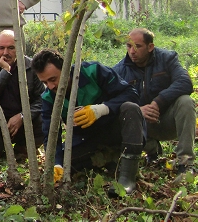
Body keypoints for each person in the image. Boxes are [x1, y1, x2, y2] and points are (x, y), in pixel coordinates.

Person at [32, 49, 145, 196]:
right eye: (45, 82)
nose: (51, 86)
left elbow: (131, 94)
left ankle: (127, 178)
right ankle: (111, 158)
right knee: (68, 162)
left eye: (53, 79)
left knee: (130, 108)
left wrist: (102, 109)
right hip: (88, 140)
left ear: (66, 68)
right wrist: (56, 163)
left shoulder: (93, 71)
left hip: (116, 129)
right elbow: (51, 136)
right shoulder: (48, 98)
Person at [113, 28, 195, 181]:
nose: (132, 51)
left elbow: (185, 82)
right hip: (143, 126)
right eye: (129, 46)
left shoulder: (167, 58)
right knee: (118, 115)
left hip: (169, 120)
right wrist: (137, 111)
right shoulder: (119, 70)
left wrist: (158, 102)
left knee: (186, 101)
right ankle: (152, 150)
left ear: (150, 47)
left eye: (137, 46)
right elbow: (111, 101)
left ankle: (185, 165)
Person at [0, 30, 45, 160]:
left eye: (11, 48)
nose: (6, 53)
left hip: (24, 121)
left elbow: (43, 99)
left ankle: (23, 147)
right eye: (1, 48)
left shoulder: (32, 66)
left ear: (19, 49)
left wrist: (22, 116)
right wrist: (5, 71)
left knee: (48, 112)